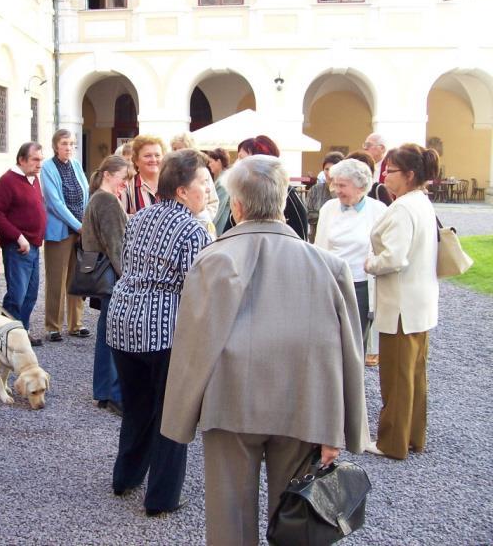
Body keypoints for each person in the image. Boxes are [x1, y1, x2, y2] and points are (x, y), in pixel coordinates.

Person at [161, 154, 368, 545]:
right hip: (304, 406)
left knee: (228, 521)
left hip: (230, 404)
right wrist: (339, 426)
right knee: (295, 518)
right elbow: (348, 353)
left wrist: (179, 417)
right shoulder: (329, 266)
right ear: (282, 200)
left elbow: (193, 346)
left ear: (236, 205)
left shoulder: (214, 259)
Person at [107, 149, 212, 516]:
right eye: (202, 183)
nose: (208, 191)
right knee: (173, 413)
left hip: (122, 321)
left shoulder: (140, 216)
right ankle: (162, 497)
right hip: (163, 330)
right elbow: (198, 287)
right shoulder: (194, 229)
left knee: (137, 406)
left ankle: (126, 477)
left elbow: (127, 263)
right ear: (182, 190)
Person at [364, 144, 440, 460]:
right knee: (414, 376)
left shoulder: (403, 208)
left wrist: (371, 263)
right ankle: (413, 436)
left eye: (391, 170)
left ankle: (391, 443)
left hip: (401, 306)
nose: (385, 175)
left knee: (396, 377)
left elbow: (395, 257)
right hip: (419, 301)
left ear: (409, 175)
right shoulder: (421, 203)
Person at [315, 158, 387, 350]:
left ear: (360, 186)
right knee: (329, 342)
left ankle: (356, 380)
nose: (336, 190)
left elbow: (384, 250)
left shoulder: (378, 211)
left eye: (342, 185)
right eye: (334, 184)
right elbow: (319, 247)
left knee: (355, 344)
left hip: (360, 284)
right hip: (332, 284)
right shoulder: (329, 208)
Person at [81, 155, 129, 416]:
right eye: (123, 178)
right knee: (113, 336)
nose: (125, 184)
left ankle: (103, 391)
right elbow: (116, 246)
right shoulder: (107, 200)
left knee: (106, 335)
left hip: (102, 276)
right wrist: (128, 277)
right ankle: (112, 393)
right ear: (109, 174)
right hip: (113, 277)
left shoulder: (98, 198)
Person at [0, 142, 47, 346]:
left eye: (41, 159)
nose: (39, 164)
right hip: (18, 247)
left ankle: (22, 331)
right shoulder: (7, 181)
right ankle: (7, 335)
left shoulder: (33, 179)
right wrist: (18, 236)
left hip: (34, 245)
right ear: (21, 160)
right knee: (17, 295)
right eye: (35, 159)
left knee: (31, 294)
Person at [40, 129, 90, 342]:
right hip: (60, 230)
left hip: (80, 229)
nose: (69, 148)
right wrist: (77, 225)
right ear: (55, 146)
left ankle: (76, 324)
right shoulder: (47, 168)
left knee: (77, 277)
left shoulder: (77, 166)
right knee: (56, 279)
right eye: (64, 144)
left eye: (72, 144)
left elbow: (85, 195)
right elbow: (55, 203)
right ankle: (53, 326)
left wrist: (85, 225)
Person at [223, 135, 308, 240]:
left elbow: (300, 236)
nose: (236, 163)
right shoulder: (240, 193)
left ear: (260, 162)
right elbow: (228, 230)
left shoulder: (287, 193)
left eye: (241, 158)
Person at [170, 132, 219, 231]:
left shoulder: (202, 172)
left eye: (180, 148)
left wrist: (202, 218)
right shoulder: (170, 172)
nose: (177, 152)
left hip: (199, 225)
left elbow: (213, 201)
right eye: (174, 149)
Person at [120, 135, 166, 214]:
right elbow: (122, 221)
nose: (153, 159)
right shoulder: (127, 188)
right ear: (136, 160)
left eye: (157, 155)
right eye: (147, 156)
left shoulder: (172, 185)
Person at [306, 151, 344, 241]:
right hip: (316, 237)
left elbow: (343, 213)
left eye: (333, 169)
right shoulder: (315, 189)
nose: (329, 172)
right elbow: (307, 214)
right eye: (326, 169)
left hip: (339, 238)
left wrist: (334, 193)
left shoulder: (345, 190)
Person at [204, 147, 231, 234]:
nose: (209, 165)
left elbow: (217, 209)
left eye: (211, 161)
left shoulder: (223, 181)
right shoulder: (223, 178)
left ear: (219, 162)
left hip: (220, 229)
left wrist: (207, 230)